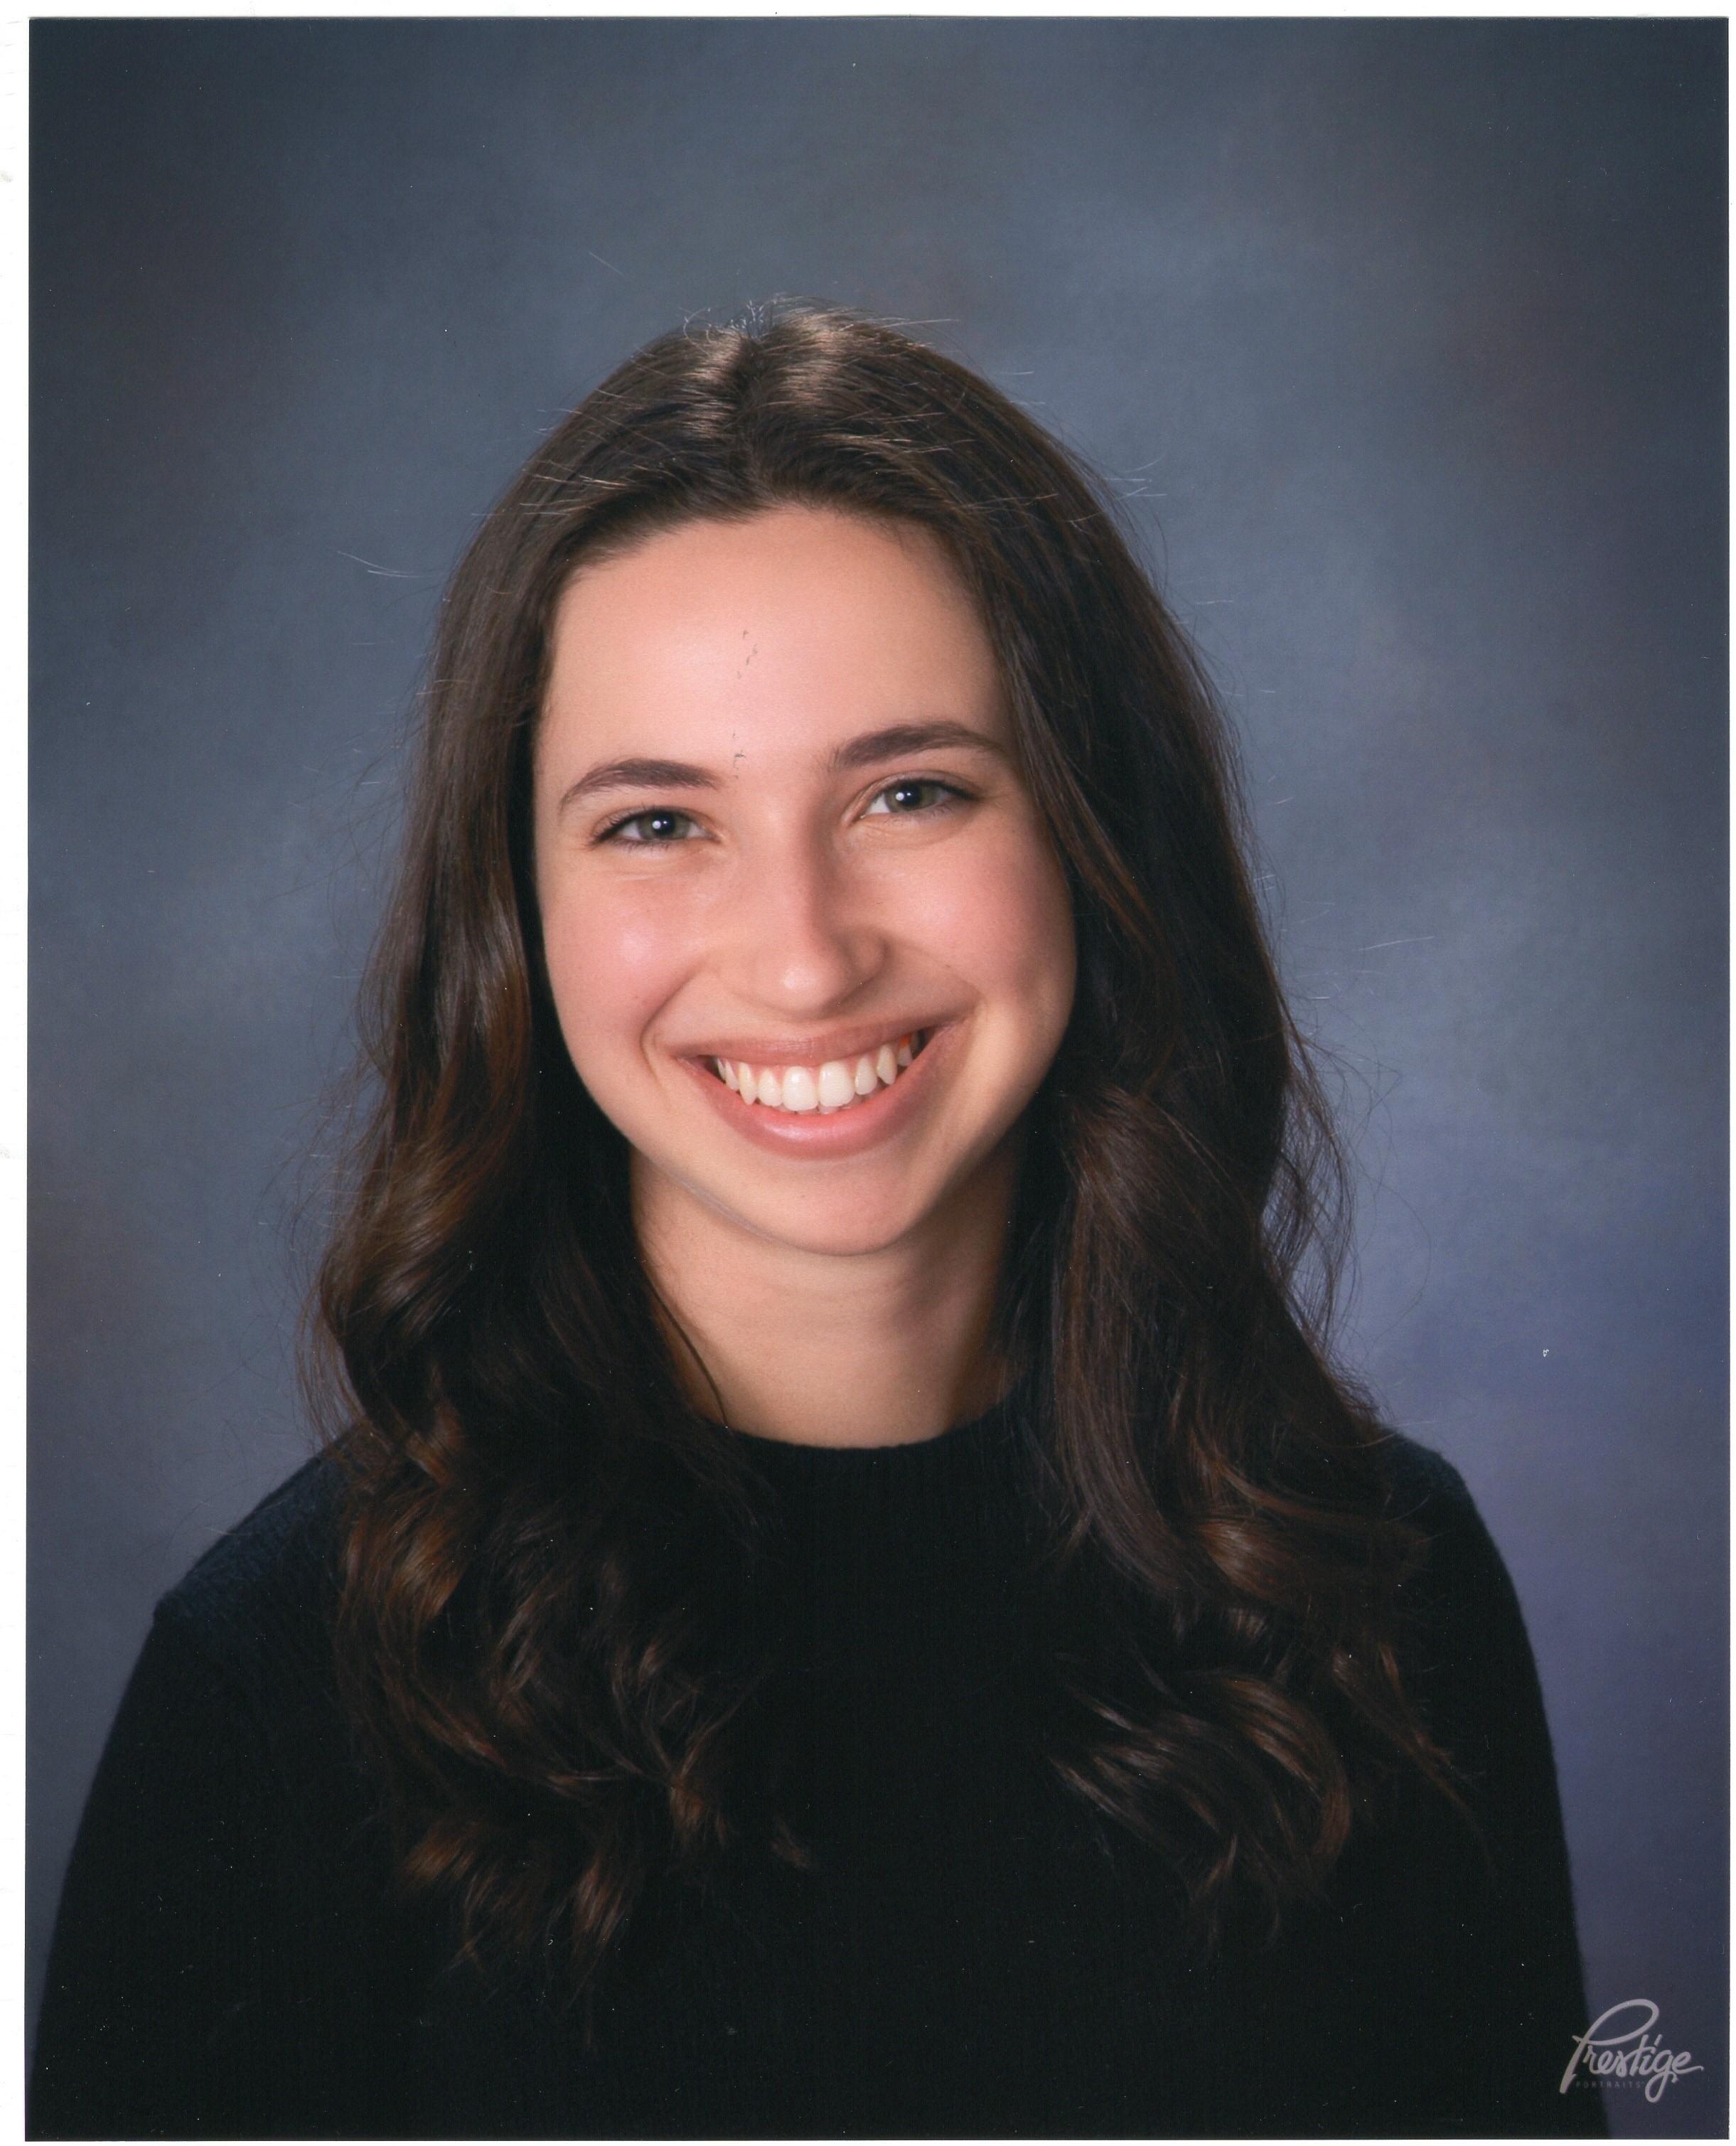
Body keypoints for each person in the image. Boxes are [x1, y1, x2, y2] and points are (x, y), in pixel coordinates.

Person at [31, 304, 1606, 2140]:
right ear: (513, 916)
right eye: (654, 823)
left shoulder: (1372, 1585)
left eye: (908, 790)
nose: (801, 952)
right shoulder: (277, 1689)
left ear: (1094, 837)